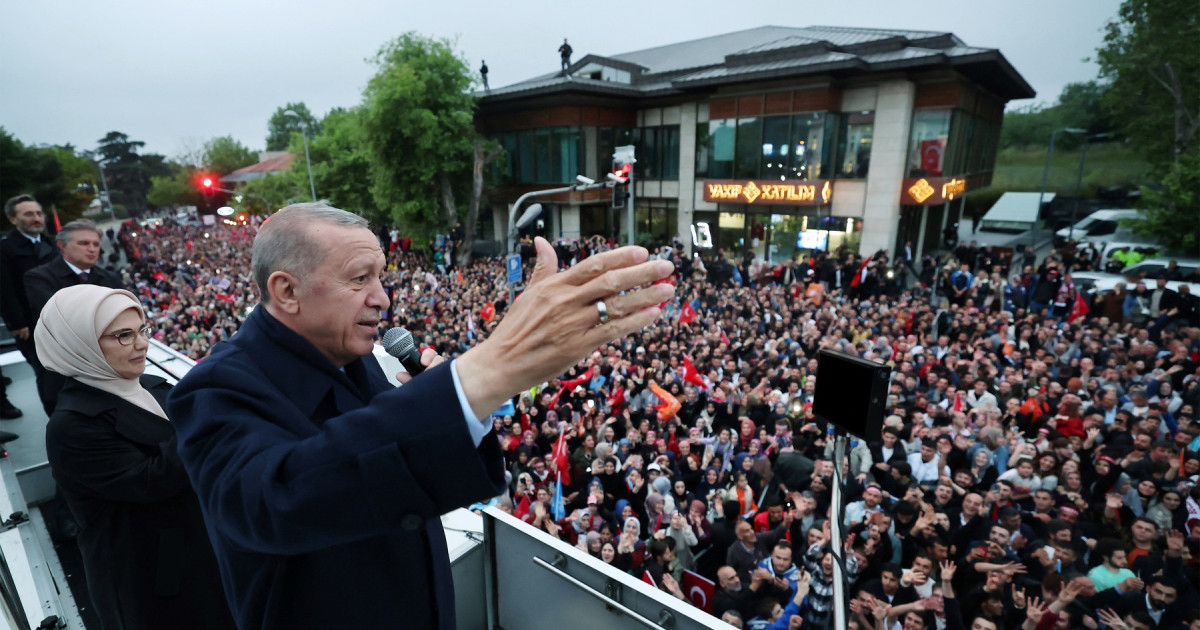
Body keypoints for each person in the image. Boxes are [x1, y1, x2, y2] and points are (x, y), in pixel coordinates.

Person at [166, 203, 674, 629]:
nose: (382, 299)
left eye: (380, 278)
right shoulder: (213, 390)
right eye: (359, 279)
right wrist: (479, 376)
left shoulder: (355, 356)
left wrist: (441, 401)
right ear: (286, 291)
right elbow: (279, 501)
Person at [36, 285, 233, 629]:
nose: (142, 344)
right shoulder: (72, 426)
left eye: (142, 330)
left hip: (204, 553)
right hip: (154, 583)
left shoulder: (153, 384)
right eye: (123, 336)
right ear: (78, 343)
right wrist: (210, 411)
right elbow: (151, 482)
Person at [25, 218, 124, 412]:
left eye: (95, 244)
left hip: (109, 368)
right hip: (64, 371)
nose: (92, 249)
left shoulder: (111, 278)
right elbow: (59, 318)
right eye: (84, 243)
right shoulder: (38, 277)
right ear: (62, 245)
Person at [1, 194, 58, 420]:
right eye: (28, 214)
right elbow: (4, 289)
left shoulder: (50, 244)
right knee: (47, 377)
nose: (36, 218)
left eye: (38, 213)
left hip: (57, 321)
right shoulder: (4, 249)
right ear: (13, 219)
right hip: (29, 325)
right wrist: (17, 322)